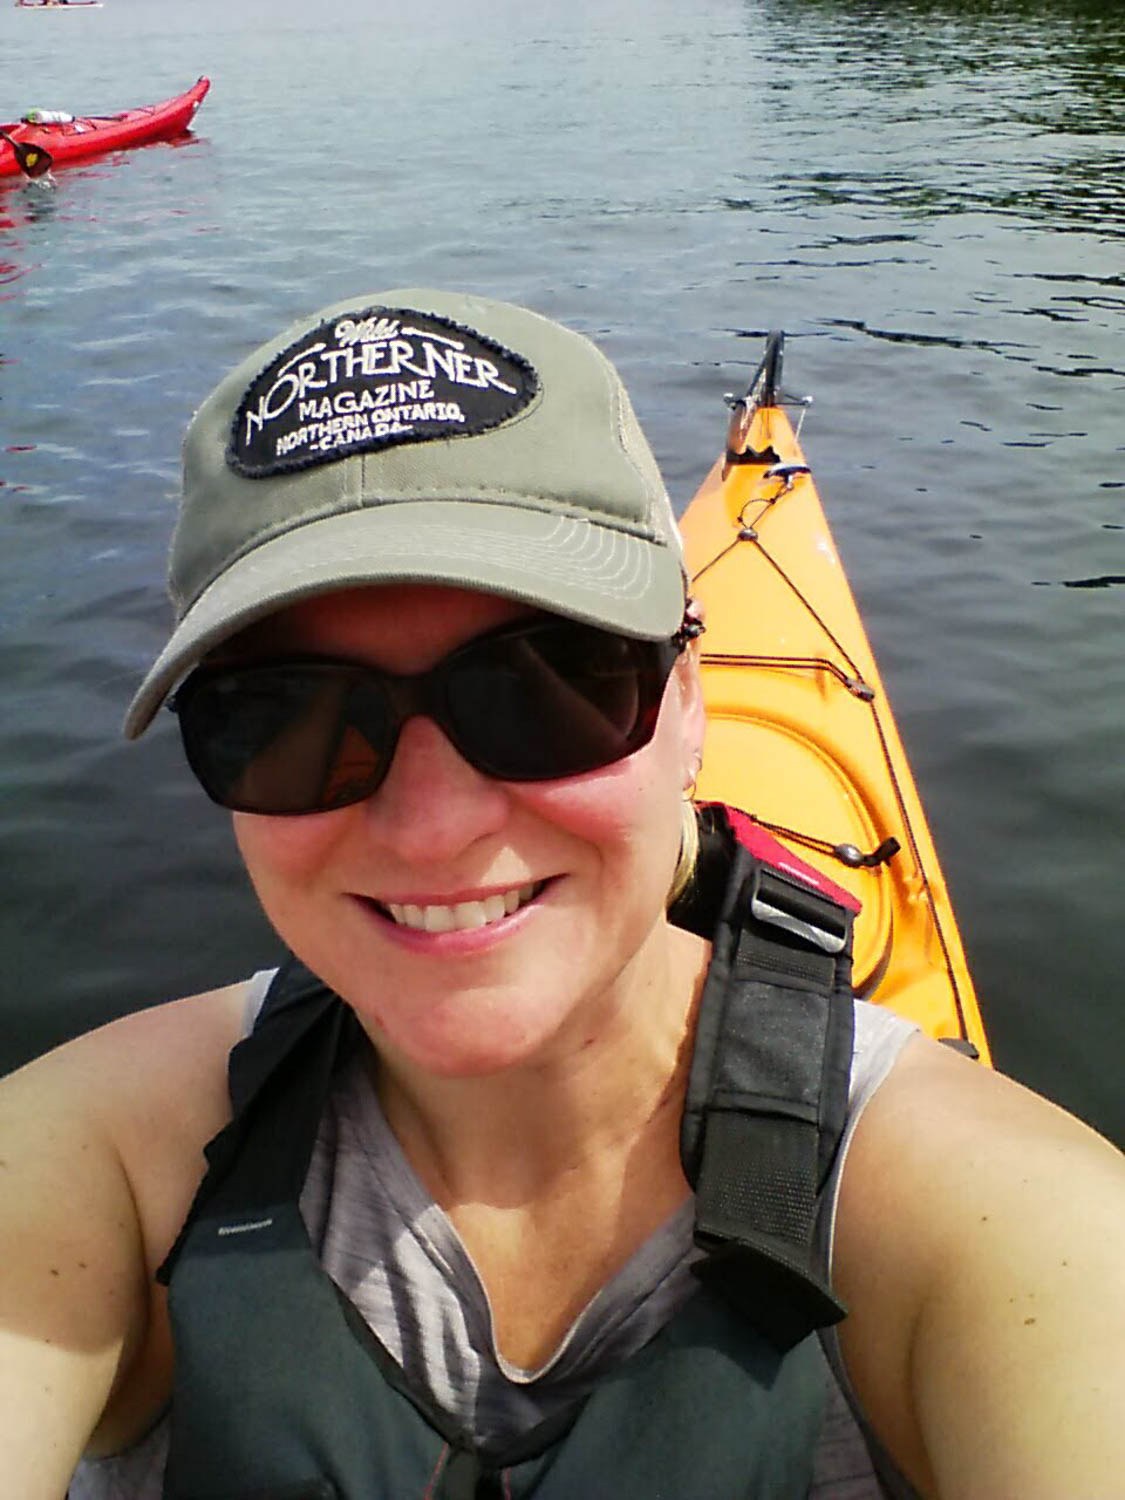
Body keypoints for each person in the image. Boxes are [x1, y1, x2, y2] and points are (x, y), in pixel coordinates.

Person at [1, 290, 1122, 1500]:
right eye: (290, 717)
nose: (433, 828)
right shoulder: (92, 1167)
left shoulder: (1010, 1234)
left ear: (688, 702)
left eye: (548, 684)